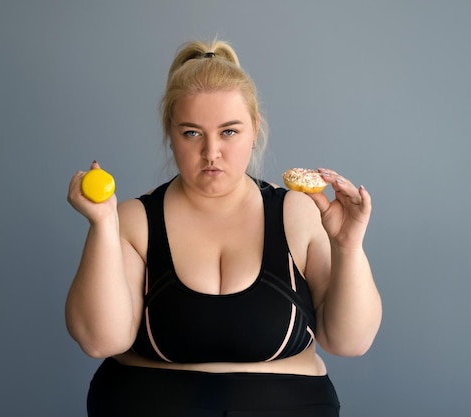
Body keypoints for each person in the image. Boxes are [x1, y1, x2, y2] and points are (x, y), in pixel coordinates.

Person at [66, 39, 382, 417]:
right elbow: (100, 340)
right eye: (192, 133)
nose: (211, 152)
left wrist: (348, 246)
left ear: (254, 129)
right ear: (170, 132)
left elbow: (351, 341)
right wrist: (102, 224)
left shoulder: (300, 213)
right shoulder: (134, 220)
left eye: (229, 132)